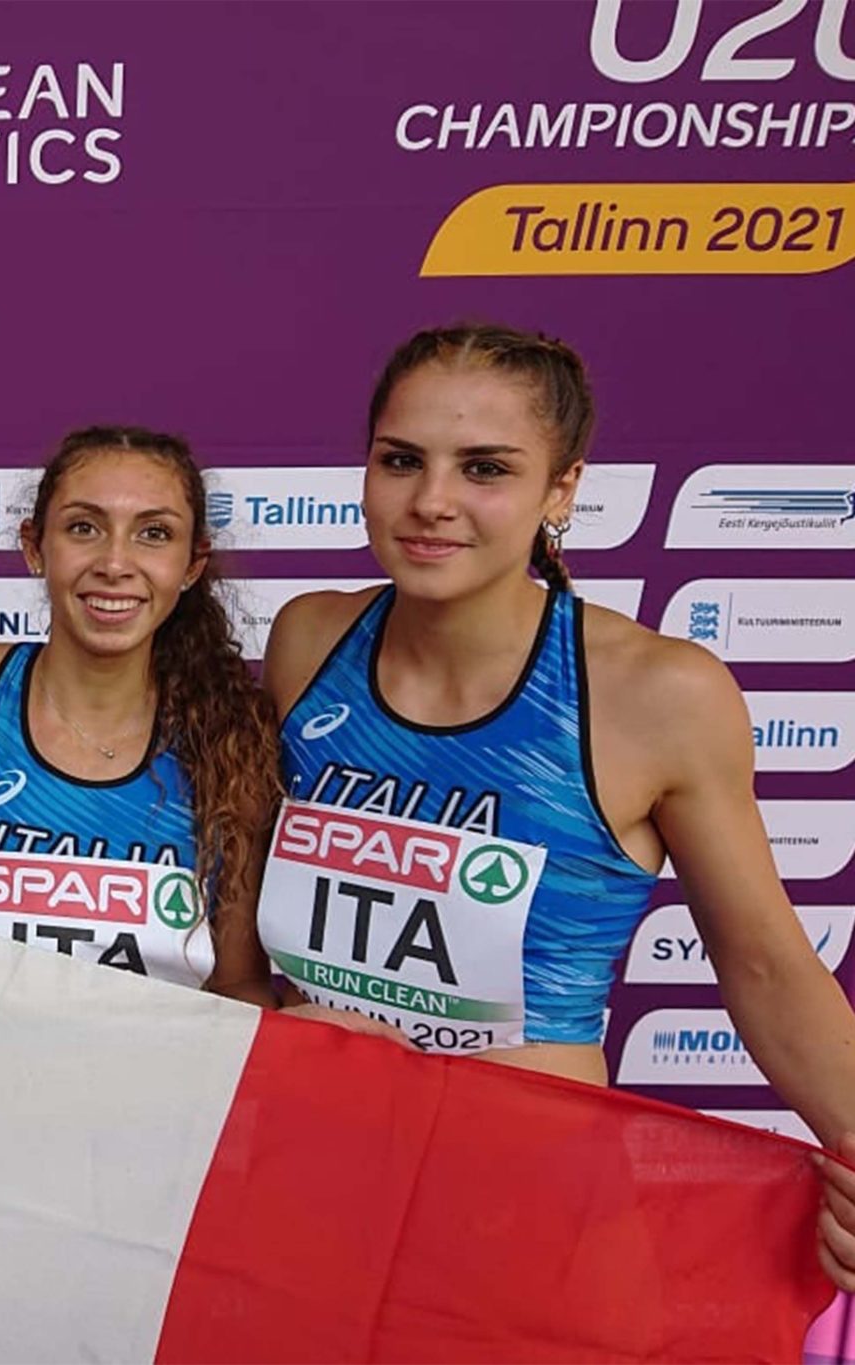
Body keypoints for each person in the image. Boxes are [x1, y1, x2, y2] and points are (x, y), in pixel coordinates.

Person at [258, 322, 855, 1288]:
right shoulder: (308, 640)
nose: (432, 500)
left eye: (485, 468)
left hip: (525, 1202)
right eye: (400, 460)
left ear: (562, 489)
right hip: (311, 1173)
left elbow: (765, 965)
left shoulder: (655, 692)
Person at [0, 426, 290, 1004]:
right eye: (84, 528)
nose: (115, 563)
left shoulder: (231, 735)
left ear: (192, 565)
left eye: (153, 534)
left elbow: (237, 983)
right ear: (34, 547)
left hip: (156, 1062)